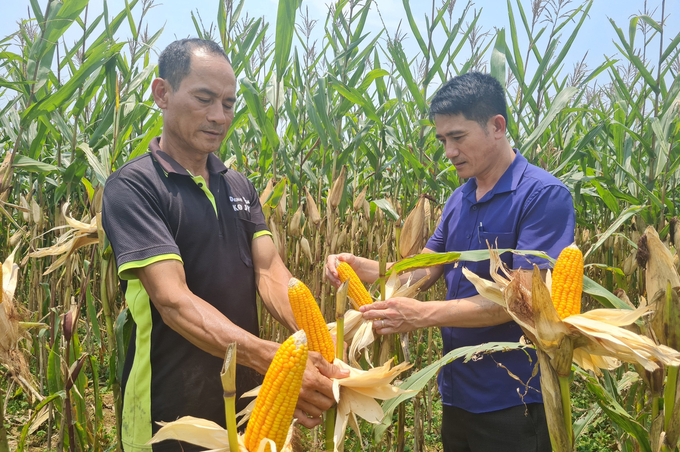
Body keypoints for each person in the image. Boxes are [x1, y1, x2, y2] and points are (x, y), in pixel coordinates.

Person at [102, 38, 347, 452]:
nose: (219, 116)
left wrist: (317, 346)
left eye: (229, 104)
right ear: (162, 93)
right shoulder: (134, 187)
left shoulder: (238, 185)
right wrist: (275, 358)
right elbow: (174, 302)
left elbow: (271, 273)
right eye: (204, 99)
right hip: (168, 409)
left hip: (247, 398)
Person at [326, 72, 575, 452]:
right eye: (443, 140)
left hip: (515, 395)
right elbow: (428, 267)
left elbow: (523, 300)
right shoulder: (460, 199)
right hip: (457, 390)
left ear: (497, 126)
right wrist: (368, 268)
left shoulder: (542, 196)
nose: (449, 151)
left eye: (458, 137)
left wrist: (423, 315)